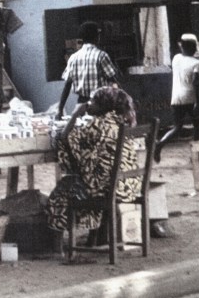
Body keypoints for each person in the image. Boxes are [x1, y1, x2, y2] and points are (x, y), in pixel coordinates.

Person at [45, 85, 140, 246]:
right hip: (129, 186)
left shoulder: (99, 124)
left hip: (108, 188)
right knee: (88, 177)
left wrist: (76, 114)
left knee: (63, 189)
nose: (89, 104)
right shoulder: (119, 121)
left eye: (92, 101)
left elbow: (65, 137)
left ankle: (56, 246)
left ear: (103, 106)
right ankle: (95, 238)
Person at [154, 33, 199, 163]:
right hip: (190, 98)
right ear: (194, 48)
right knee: (197, 127)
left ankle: (160, 144)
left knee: (177, 127)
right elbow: (196, 84)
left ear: (182, 47)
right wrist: (198, 103)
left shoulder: (176, 58)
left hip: (176, 97)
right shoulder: (197, 63)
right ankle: (197, 156)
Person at [56, 21, 118, 118]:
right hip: (99, 105)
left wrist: (60, 110)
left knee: (83, 127)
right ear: (96, 37)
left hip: (81, 106)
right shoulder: (101, 56)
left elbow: (67, 85)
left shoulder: (73, 58)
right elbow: (113, 81)